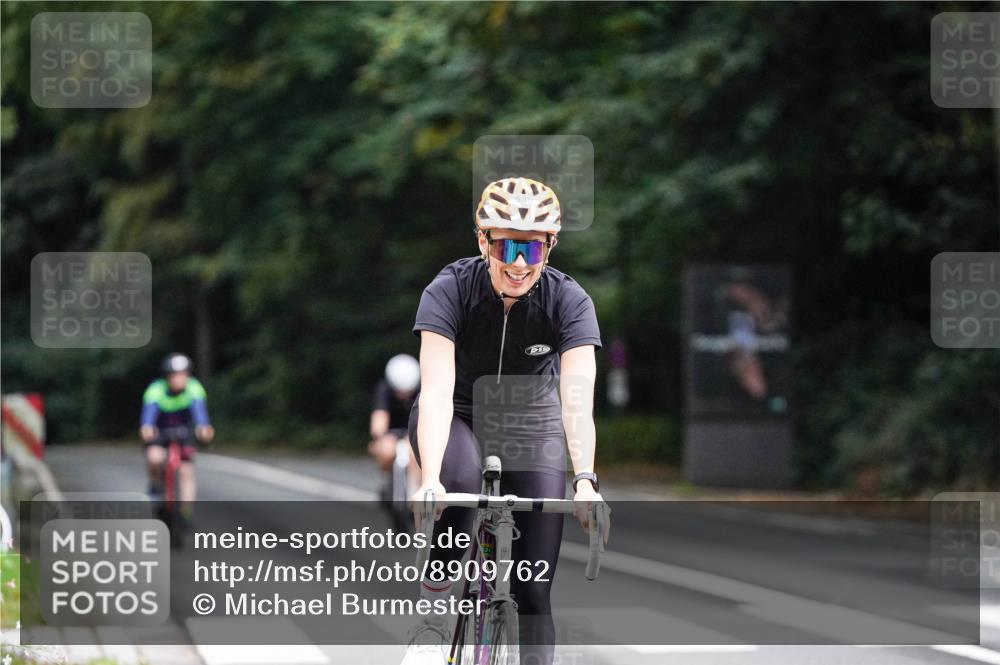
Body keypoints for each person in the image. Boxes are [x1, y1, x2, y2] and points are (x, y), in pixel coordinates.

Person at [402, 177, 605, 665]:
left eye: (532, 250)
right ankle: (434, 608)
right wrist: (430, 480)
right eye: (507, 245)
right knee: (462, 481)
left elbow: (576, 402)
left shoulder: (568, 301)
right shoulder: (449, 288)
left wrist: (584, 481)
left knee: (534, 590)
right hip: (457, 412)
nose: (518, 263)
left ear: (549, 249)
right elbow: (435, 391)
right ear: (483, 241)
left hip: (531, 424)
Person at [139, 353, 214, 518]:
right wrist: (146, 427)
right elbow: (148, 414)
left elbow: (200, 412)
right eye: (175, 375)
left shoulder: (194, 388)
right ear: (167, 376)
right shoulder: (156, 389)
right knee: (155, 458)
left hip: (184, 431)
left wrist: (204, 427)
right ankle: (155, 485)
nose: (179, 379)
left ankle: (185, 512)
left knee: (186, 471)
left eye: (183, 375)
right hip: (160, 431)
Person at [369, 354, 421, 527]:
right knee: (384, 451)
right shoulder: (383, 389)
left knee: (416, 457)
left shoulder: (422, 390)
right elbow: (379, 419)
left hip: (413, 433)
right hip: (390, 433)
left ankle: (417, 493)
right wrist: (380, 436)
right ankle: (386, 482)